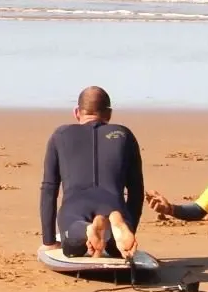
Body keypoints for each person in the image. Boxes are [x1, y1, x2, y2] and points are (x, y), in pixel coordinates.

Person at [40, 85, 143, 258]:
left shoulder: (61, 134)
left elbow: (49, 189)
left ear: (77, 112)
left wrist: (49, 241)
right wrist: (130, 225)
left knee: (73, 245)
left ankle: (88, 229)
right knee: (116, 248)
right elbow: (136, 192)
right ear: (109, 114)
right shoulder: (124, 135)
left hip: (75, 207)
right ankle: (116, 224)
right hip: (114, 206)